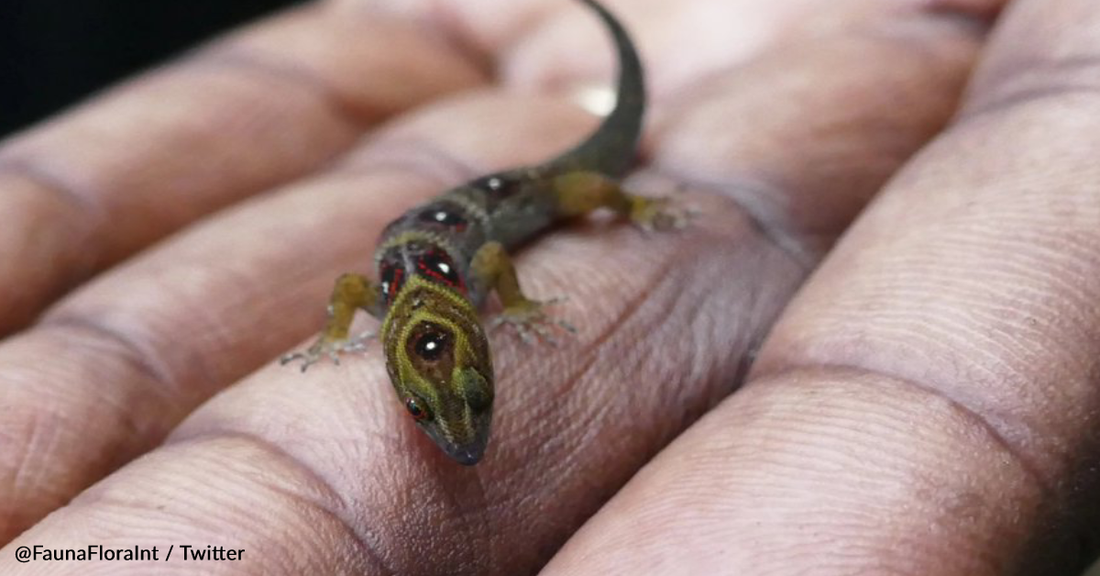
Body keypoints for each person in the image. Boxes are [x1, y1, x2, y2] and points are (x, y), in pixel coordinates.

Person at [0, 0, 1093, 573]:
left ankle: (628, 179)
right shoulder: (398, 298)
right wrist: (348, 328)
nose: (457, 420)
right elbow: (356, 282)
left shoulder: (449, 284)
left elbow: (459, 260)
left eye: (455, 399)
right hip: (461, 215)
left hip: (520, 188)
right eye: (448, 403)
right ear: (408, 355)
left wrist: (548, 268)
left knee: (594, 185)